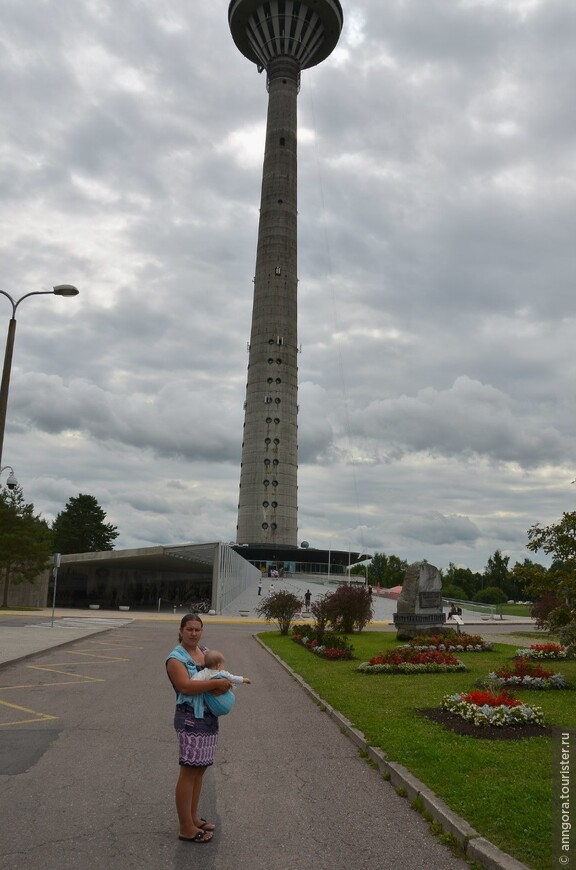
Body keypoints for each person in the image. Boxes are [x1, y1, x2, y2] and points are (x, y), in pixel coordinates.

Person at [165, 614, 233, 843]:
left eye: (197, 629)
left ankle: (193, 818)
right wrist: (216, 684)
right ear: (181, 630)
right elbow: (185, 687)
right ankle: (185, 827)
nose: (194, 633)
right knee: (189, 770)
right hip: (190, 720)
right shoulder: (175, 659)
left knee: (200, 769)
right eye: (189, 629)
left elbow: (217, 671)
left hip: (208, 718)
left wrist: (225, 683)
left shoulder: (204, 652)